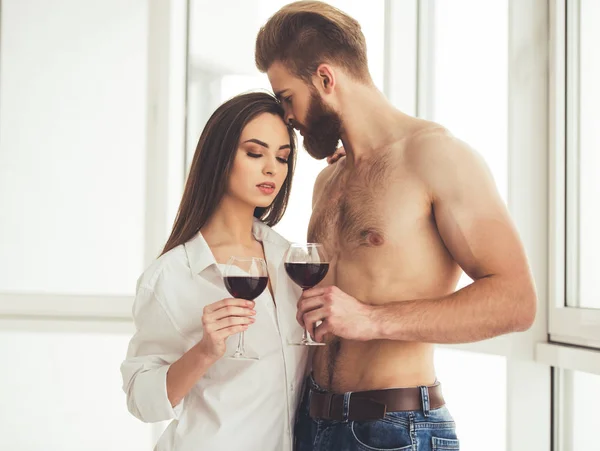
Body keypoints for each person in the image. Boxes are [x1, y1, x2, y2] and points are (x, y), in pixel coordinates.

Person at [255, 2, 537, 450]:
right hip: (311, 425)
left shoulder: (437, 157)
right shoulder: (329, 179)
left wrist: (369, 319)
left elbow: (516, 301)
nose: (287, 116)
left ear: (326, 80)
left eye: (288, 98)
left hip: (395, 430)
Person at [120, 92, 310, 451]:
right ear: (220, 157)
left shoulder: (291, 262)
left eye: (282, 157)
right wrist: (205, 351)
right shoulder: (172, 276)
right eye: (255, 153)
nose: (272, 168)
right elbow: (140, 400)